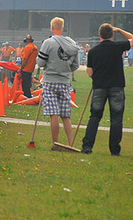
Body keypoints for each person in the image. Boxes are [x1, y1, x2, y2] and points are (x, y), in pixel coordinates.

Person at [81, 24, 133, 156]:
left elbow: (89, 72)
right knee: (116, 119)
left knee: (94, 117)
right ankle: (114, 150)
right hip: (116, 86)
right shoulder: (118, 46)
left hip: (99, 86)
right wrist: (120, 30)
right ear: (112, 35)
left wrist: (97, 75)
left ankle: (87, 146)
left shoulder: (93, 51)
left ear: (99, 35)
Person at [36, 17, 80, 147]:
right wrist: (65, 70)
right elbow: (75, 65)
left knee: (53, 114)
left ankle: (56, 143)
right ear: (63, 28)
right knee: (65, 115)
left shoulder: (48, 42)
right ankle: (70, 143)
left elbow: (40, 62)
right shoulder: (72, 43)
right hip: (65, 82)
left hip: (50, 81)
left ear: (52, 28)